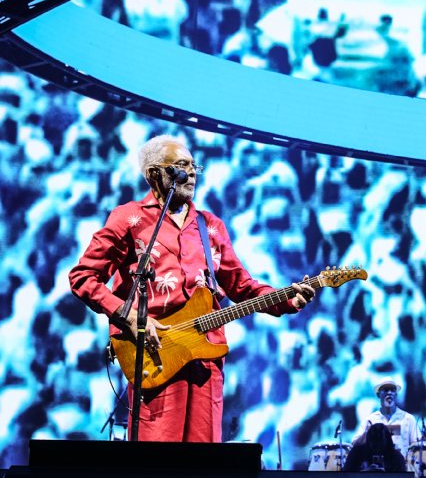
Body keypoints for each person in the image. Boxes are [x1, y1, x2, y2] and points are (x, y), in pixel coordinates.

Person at [68, 134, 316, 442]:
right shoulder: (128, 219)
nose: (193, 173)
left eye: (194, 165)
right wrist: (129, 316)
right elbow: (83, 276)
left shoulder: (210, 226)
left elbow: (243, 287)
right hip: (155, 355)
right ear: (154, 174)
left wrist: (287, 299)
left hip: (205, 361)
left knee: (203, 464)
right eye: (181, 166)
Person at [352, 377, 419, 458]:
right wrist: (367, 434)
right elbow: (355, 444)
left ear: (396, 394)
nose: (389, 393)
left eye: (392, 390)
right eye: (386, 390)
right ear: (378, 395)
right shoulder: (370, 420)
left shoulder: (408, 419)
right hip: (377, 468)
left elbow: (417, 445)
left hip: (402, 468)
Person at [342, 422, 407, 473]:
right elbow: (346, 476)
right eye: (374, 442)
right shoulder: (357, 453)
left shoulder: (396, 456)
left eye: (380, 441)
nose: (377, 446)